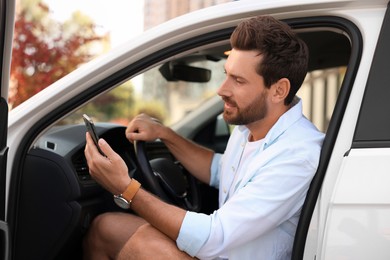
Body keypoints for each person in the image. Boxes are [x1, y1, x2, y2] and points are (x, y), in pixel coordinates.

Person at [83, 15, 324, 260]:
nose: (222, 89)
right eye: (227, 74)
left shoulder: (296, 154)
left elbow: (213, 238)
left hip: (220, 249)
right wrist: (165, 134)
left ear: (279, 90)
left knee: (138, 238)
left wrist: (125, 188)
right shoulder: (250, 128)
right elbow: (221, 170)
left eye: (238, 80)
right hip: (221, 250)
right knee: (104, 228)